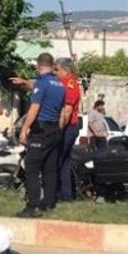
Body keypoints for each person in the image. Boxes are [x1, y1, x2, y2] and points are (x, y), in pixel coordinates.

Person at [16, 53, 67, 218]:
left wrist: (24, 129)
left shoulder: (42, 83)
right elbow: (62, 113)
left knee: (31, 167)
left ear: (38, 66)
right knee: (50, 169)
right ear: (52, 65)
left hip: (42, 130)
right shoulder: (59, 85)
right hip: (55, 130)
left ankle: (33, 206)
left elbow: (34, 108)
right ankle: (48, 204)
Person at [55, 57, 83, 201]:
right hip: (67, 127)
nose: (55, 72)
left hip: (67, 127)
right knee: (64, 163)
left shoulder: (70, 84)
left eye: (57, 69)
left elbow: (67, 111)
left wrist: (58, 130)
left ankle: (59, 195)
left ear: (65, 70)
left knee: (57, 161)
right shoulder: (63, 82)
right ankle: (66, 197)